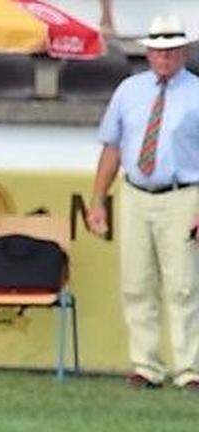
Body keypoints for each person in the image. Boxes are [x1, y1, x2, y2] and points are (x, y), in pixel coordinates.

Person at [86, 14, 199, 392]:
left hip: (183, 193)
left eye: (171, 51)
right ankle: (146, 365)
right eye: (158, 51)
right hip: (135, 191)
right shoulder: (128, 91)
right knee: (136, 282)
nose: (164, 58)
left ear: (183, 52)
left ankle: (189, 368)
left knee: (184, 284)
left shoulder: (197, 93)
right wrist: (98, 199)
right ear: (148, 53)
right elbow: (112, 147)